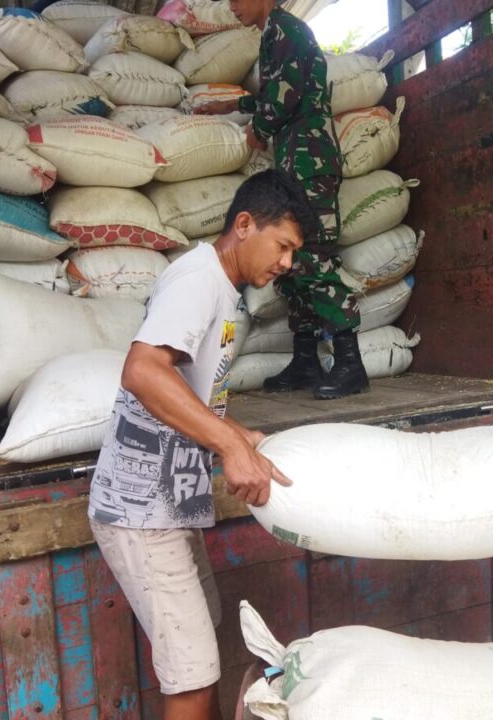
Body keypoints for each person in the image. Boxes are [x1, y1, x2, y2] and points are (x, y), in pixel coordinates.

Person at [87, 170, 315, 720]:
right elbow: (142, 370)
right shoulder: (196, 280)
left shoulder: (225, 291)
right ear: (243, 225)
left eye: (294, 252)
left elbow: (193, 396)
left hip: (170, 505)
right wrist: (231, 450)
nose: (287, 263)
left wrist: (238, 435)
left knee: (199, 661)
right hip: (141, 511)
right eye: (282, 245)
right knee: (189, 677)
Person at [194, 0, 367, 400]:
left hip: (309, 162)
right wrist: (234, 105)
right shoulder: (275, 34)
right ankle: (306, 359)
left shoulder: (286, 30)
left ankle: (350, 361)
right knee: (288, 263)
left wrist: (257, 128)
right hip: (296, 163)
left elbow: (282, 98)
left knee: (310, 259)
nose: (233, 7)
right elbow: (279, 91)